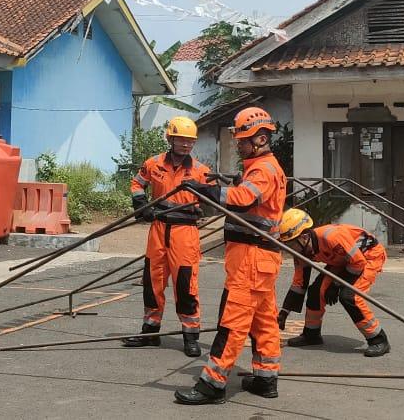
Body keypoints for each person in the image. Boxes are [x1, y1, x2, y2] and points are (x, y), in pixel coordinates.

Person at [175, 107, 286, 405]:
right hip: (259, 259)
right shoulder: (260, 167)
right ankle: (265, 378)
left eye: (242, 140)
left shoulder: (263, 169)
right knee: (263, 321)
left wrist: (205, 190)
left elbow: (243, 199)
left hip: (251, 259)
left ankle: (213, 384)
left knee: (232, 322)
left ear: (260, 139)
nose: (239, 145)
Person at [122, 116, 210, 357]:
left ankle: (190, 336)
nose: (186, 144)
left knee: (185, 285)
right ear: (170, 139)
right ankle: (150, 331)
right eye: (181, 139)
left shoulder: (201, 171)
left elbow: (213, 196)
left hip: (185, 233)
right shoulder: (153, 164)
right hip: (159, 229)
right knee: (153, 282)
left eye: (190, 141)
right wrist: (141, 204)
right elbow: (137, 183)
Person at [276, 209, 390, 358]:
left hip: (368, 257)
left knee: (350, 297)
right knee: (315, 291)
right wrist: (284, 312)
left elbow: (358, 263)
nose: (288, 249)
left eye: (290, 244)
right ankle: (311, 334)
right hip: (342, 261)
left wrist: (335, 286)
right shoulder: (301, 251)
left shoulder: (332, 237)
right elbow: (299, 284)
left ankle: (378, 339)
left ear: (304, 237)